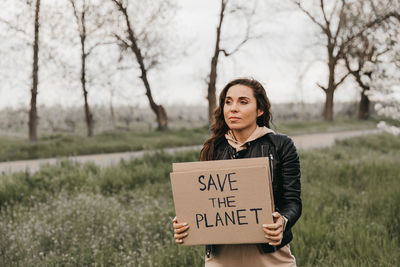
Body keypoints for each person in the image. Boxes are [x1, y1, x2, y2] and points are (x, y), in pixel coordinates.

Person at [173, 78, 301, 266]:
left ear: (260, 110)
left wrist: (283, 221)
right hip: (221, 258)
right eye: (228, 101)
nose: (233, 108)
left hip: (270, 256)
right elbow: (204, 203)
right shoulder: (212, 148)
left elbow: (293, 202)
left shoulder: (281, 145)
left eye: (243, 102)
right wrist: (184, 222)